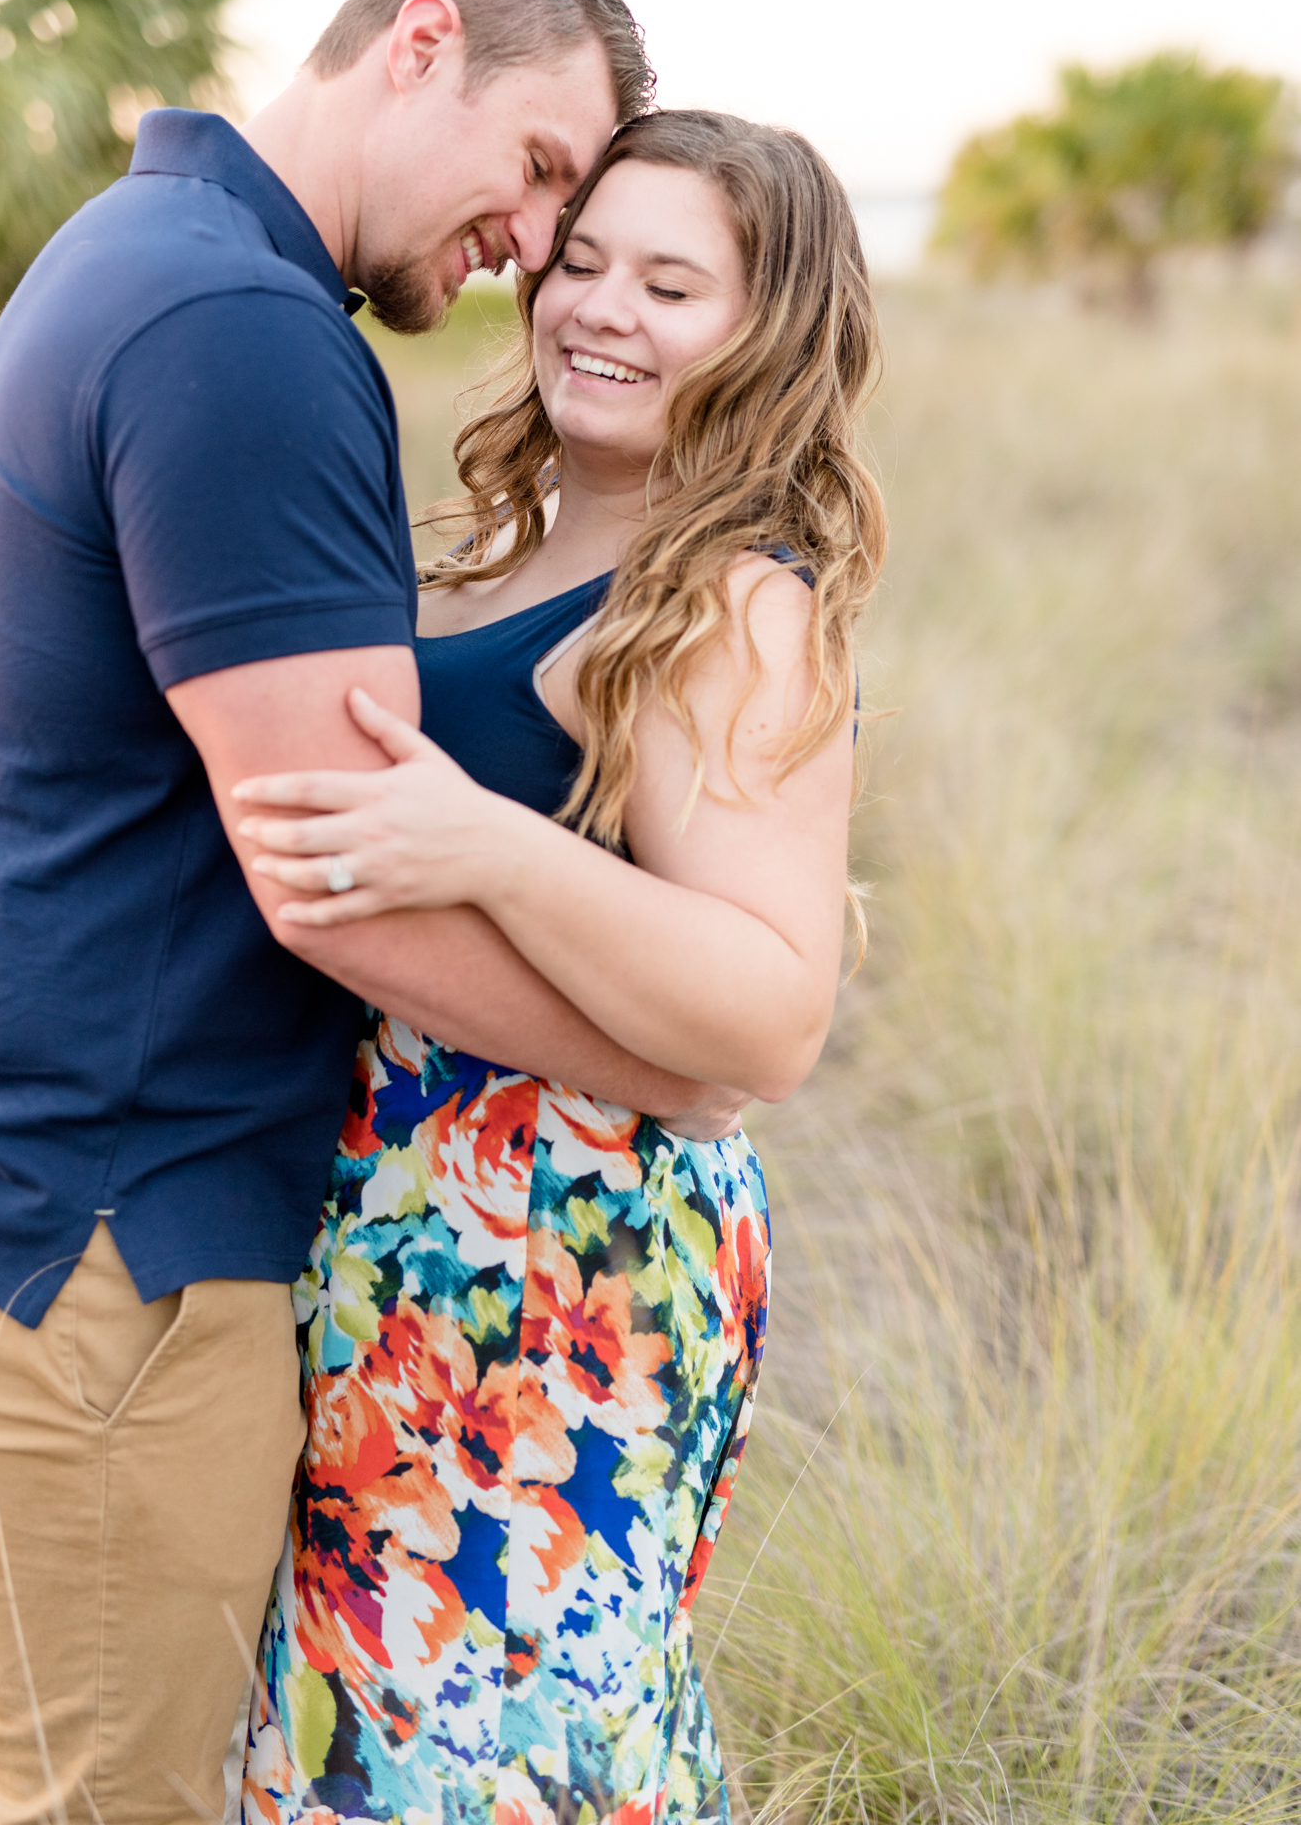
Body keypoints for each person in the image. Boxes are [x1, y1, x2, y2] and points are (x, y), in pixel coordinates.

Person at [0, 0, 737, 1825]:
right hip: (121, 1241)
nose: (534, 247)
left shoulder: (145, 259)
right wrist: (675, 1066)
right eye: (538, 170)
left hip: (103, 1207)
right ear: (419, 42)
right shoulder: (241, 330)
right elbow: (336, 879)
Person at [232, 109, 887, 1825]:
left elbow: (771, 1008)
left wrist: (489, 847)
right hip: (411, 1231)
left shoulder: (731, 602)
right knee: (387, 1738)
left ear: (770, 334)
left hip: (562, 1261)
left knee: (488, 1755)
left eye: (673, 283)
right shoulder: (501, 545)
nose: (599, 307)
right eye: (583, 259)